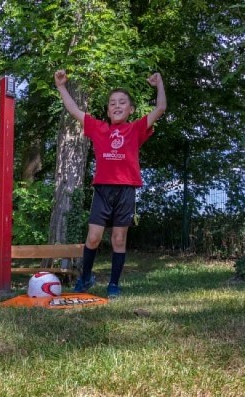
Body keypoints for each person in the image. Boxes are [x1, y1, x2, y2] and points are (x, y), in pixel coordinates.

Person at [54, 69, 166, 299]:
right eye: (112, 102)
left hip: (126, 190)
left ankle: (113, 284)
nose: (117, 105)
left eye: (122, 102)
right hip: (103, 190)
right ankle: (85, 278)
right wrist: (61, 86)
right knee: (93, 238)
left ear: (131, 109)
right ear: (107, 110)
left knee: (118, 239)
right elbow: (74, 110)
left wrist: (159, 84)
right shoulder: (99, 128)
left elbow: (161, 108)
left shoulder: (135, 129)